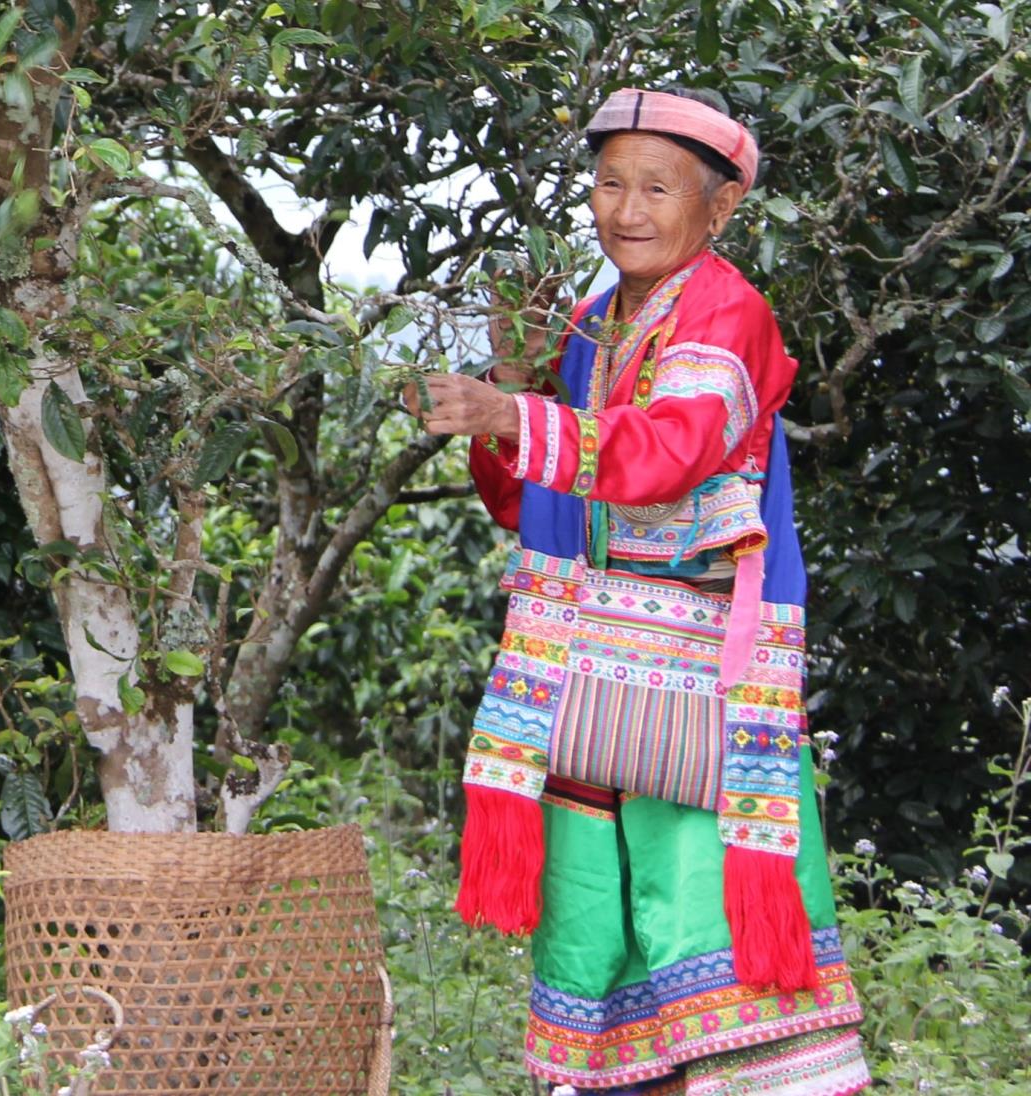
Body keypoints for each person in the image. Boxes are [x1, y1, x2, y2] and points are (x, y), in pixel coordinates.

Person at [411, 88, 871, 1093]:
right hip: (587, 680)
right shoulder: (590, 322)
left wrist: (516, 414)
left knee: (703, 901)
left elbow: (672, 452)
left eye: (657, 189)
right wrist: (514, 385)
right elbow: (531, 499)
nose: (626, 210)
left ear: (721, 207)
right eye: (609, 183)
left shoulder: (727, 312)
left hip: (696, 682)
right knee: (602, 912)